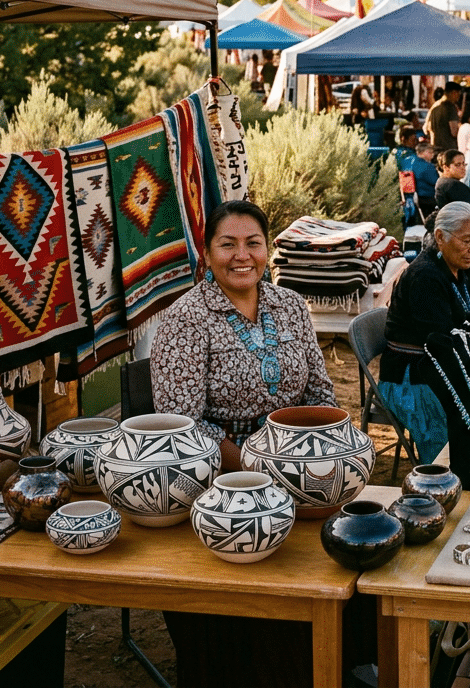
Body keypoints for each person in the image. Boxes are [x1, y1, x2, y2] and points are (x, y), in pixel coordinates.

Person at [151, 200, 348, 688]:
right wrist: (260, 467)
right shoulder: (187, 319)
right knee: (254, 618)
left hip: (301, 476)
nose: (243, 256)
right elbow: (182, 426)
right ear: (206, 252)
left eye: (253, 243)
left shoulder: (290, 305)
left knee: (332, 579)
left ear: (268, 249)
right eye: (228, 244)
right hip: (221, 487)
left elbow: (320, 394)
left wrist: (329, 452)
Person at [381, 201, 470, 462]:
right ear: (440, 237)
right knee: (453, 437)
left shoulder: (461, 267)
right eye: (467, 241)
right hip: (411, 378)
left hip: (441, 364)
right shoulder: (425, 277)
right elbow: (441, 342)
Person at [426, 81, 462, 151]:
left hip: (435, 148)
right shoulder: (450, 107)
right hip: (448, 150)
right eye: (458, 94)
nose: (458, 97)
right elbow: (454, 132)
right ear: (453, 92)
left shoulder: (434, 107)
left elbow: (427, 128)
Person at [410, 140, 438, 216]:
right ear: (421, 153)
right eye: (430, 152)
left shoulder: (412, 162)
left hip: (418, 196)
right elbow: (436, 182)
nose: (433, 154)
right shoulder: (427, 166)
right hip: (429, 196)